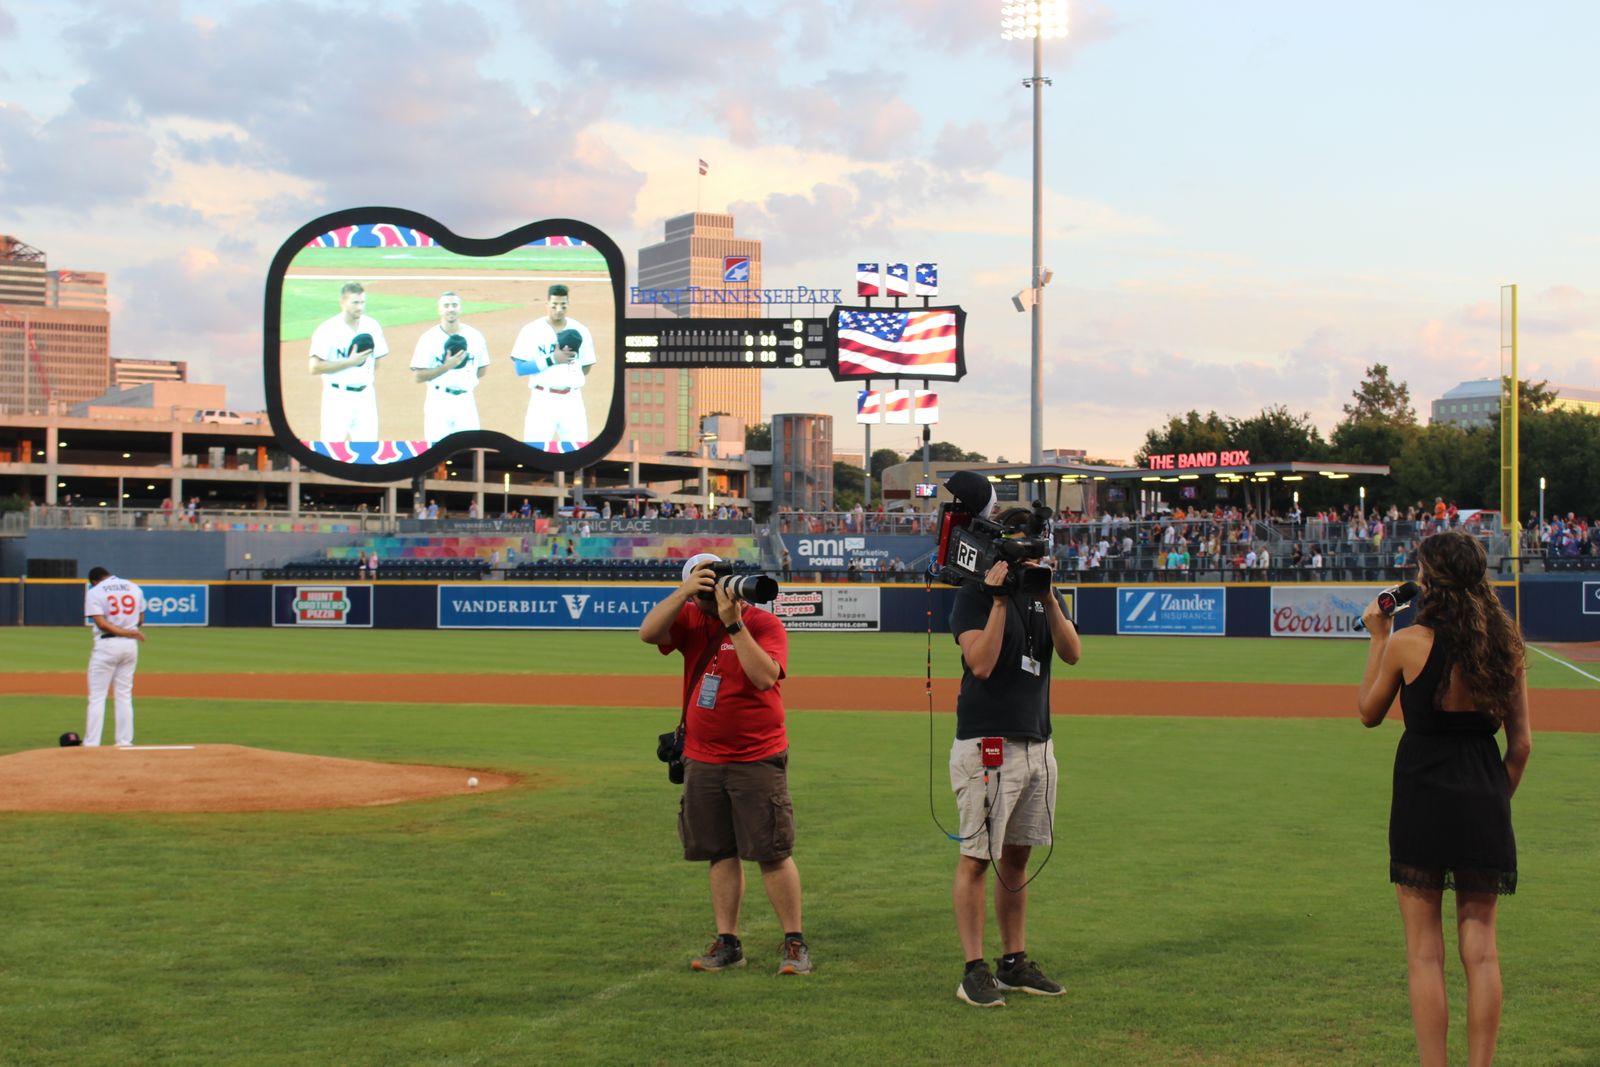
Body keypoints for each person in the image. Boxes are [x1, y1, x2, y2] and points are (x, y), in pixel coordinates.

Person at [1356, 530, 1531, 1067]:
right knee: (1482, 952)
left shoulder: (1408, 642)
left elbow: (1368, 712)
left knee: (1424, 955)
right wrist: (1492, 802)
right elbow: (1521, 746)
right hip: (1483, 799)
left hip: (1422, 799)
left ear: (1429, 581)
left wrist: (1378, 636)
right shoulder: (1505, 645)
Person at [638, 553, 810, 976]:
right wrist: (684, 593)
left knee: (772, 853)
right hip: (702, 757)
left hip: (757, 756)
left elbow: (764, 677)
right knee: (719, 852)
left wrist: (735, 625)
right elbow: (648, 633)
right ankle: (728, 942)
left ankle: (794, 942)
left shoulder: (763, 623)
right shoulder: (690, 618)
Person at [948, 521, 1082, 1007]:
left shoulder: (1045, 593)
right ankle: (973, 970)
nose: (1030, 564)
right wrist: (1001, 601)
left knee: (1018, 858)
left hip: (1037, 743)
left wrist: (1048, 599)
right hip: (988, 742)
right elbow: (981, 664)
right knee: (977, 857)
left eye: (1034, 555)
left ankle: (1013, 962)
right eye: (1023, 555)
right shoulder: (974, 596)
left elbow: (1072, 653)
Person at [511, 284, 596, 447]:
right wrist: (552, 360)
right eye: (554, 305)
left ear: (568, 304)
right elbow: (520, 368)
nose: (558, 309)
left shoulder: (581, 330)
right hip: (543, 400)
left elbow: (585, 367)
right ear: (547, 303)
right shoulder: (531, 330)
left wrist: (567, 375)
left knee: (577, 451)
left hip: (573, 401)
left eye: (563, 305)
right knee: (534, 451)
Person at [308, 281, 389, 442]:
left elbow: (376, 360)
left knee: (368, 449)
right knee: (331, 449)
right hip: (337, 397)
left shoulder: (372, 326)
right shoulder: (328, 329)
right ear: (343, 302)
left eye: (362, 302)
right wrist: (350, 362)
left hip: (365, 397)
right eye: (355, 303)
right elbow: (314, 367)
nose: (360, 307)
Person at [410, 291, 489, 443]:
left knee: (468, 448)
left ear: (460, 308)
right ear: (439, 310)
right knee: (437, 449)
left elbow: (481, 369)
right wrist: (447, 367)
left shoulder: (475, 336)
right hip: (438, 401)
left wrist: (462, 379)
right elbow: (418, 376)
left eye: (454, 305)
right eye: (446, 306)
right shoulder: (428, 338)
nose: (451, 309)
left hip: (466, 401)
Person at [83, 566, 147, 747]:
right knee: (124, 695)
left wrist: (124, 632)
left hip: (107, 645)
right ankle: (124, 741)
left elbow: (102, 624)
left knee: (97, 697)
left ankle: (92, 743)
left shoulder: (96, 591)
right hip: (130, 646)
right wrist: (129, 632)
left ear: (94, 581)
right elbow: (140, 619)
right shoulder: (134, 587)